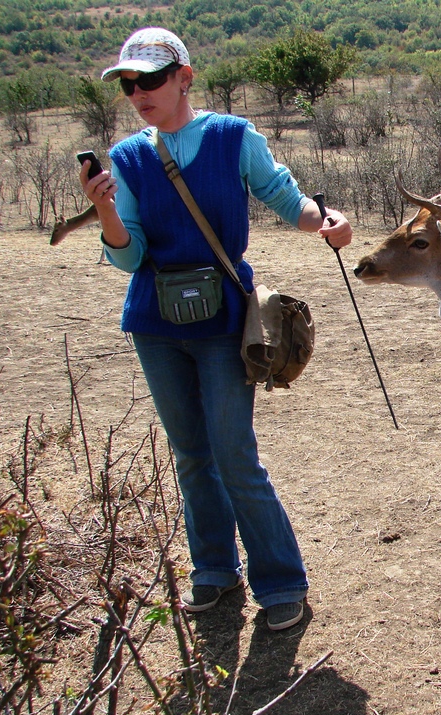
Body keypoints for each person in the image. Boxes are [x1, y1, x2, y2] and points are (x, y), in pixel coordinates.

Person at [81, 27, 353, 631]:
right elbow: (128, 256)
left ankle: (281, 581)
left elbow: (284, 197)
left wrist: (325, 219)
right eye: (129, 84)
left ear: (184, 77)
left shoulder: (233, 138)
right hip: (155, 324)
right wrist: (104, 209)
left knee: (233, 455)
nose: (138, 93)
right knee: (191, 455)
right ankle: (213, 571)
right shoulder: (127, 158)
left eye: (150, 79)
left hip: (224, 322)